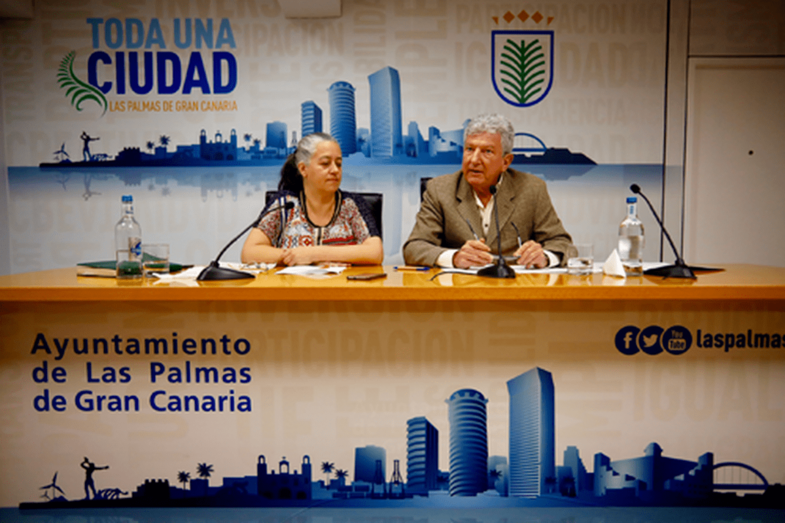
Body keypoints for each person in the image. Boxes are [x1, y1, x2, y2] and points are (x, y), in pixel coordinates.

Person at [403, 113, 575, 269]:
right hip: (460, 291)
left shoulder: (532, 189)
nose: (474, 160)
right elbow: (414, 248)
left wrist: (544, 257)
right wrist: (454, 257)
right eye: (469, 149)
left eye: (487, 151)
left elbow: (563, 245)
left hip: (514, 290)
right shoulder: (440, 189)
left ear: (505, 162)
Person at [241, 133, 383, 266]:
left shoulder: (352, 205)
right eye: (325, 163)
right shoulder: (285, 204)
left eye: (339, 164)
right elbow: (249, 253)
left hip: (342, 289)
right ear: (303, 169)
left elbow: (375, 252)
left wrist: (313, 254)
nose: (335, 170)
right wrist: (298, 258)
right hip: (292, 289)